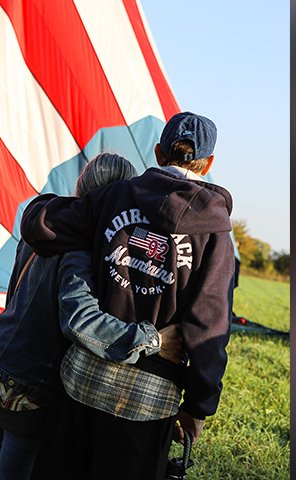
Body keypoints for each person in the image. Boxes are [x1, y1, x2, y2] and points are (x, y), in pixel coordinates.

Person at [22, 112, 235, 480]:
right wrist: (198, 407)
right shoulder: (216, 238)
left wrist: (51, 209)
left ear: (157, 152)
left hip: (82, 382)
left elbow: (39, 225)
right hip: (149, 403)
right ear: (209, 163)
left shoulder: (113, 197)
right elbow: (208, 328)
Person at [0, 153, 186, 480]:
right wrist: (151, 340)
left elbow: (14, 292)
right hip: (30, 387)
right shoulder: (81, 250)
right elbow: (80, 321)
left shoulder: (44, 222)